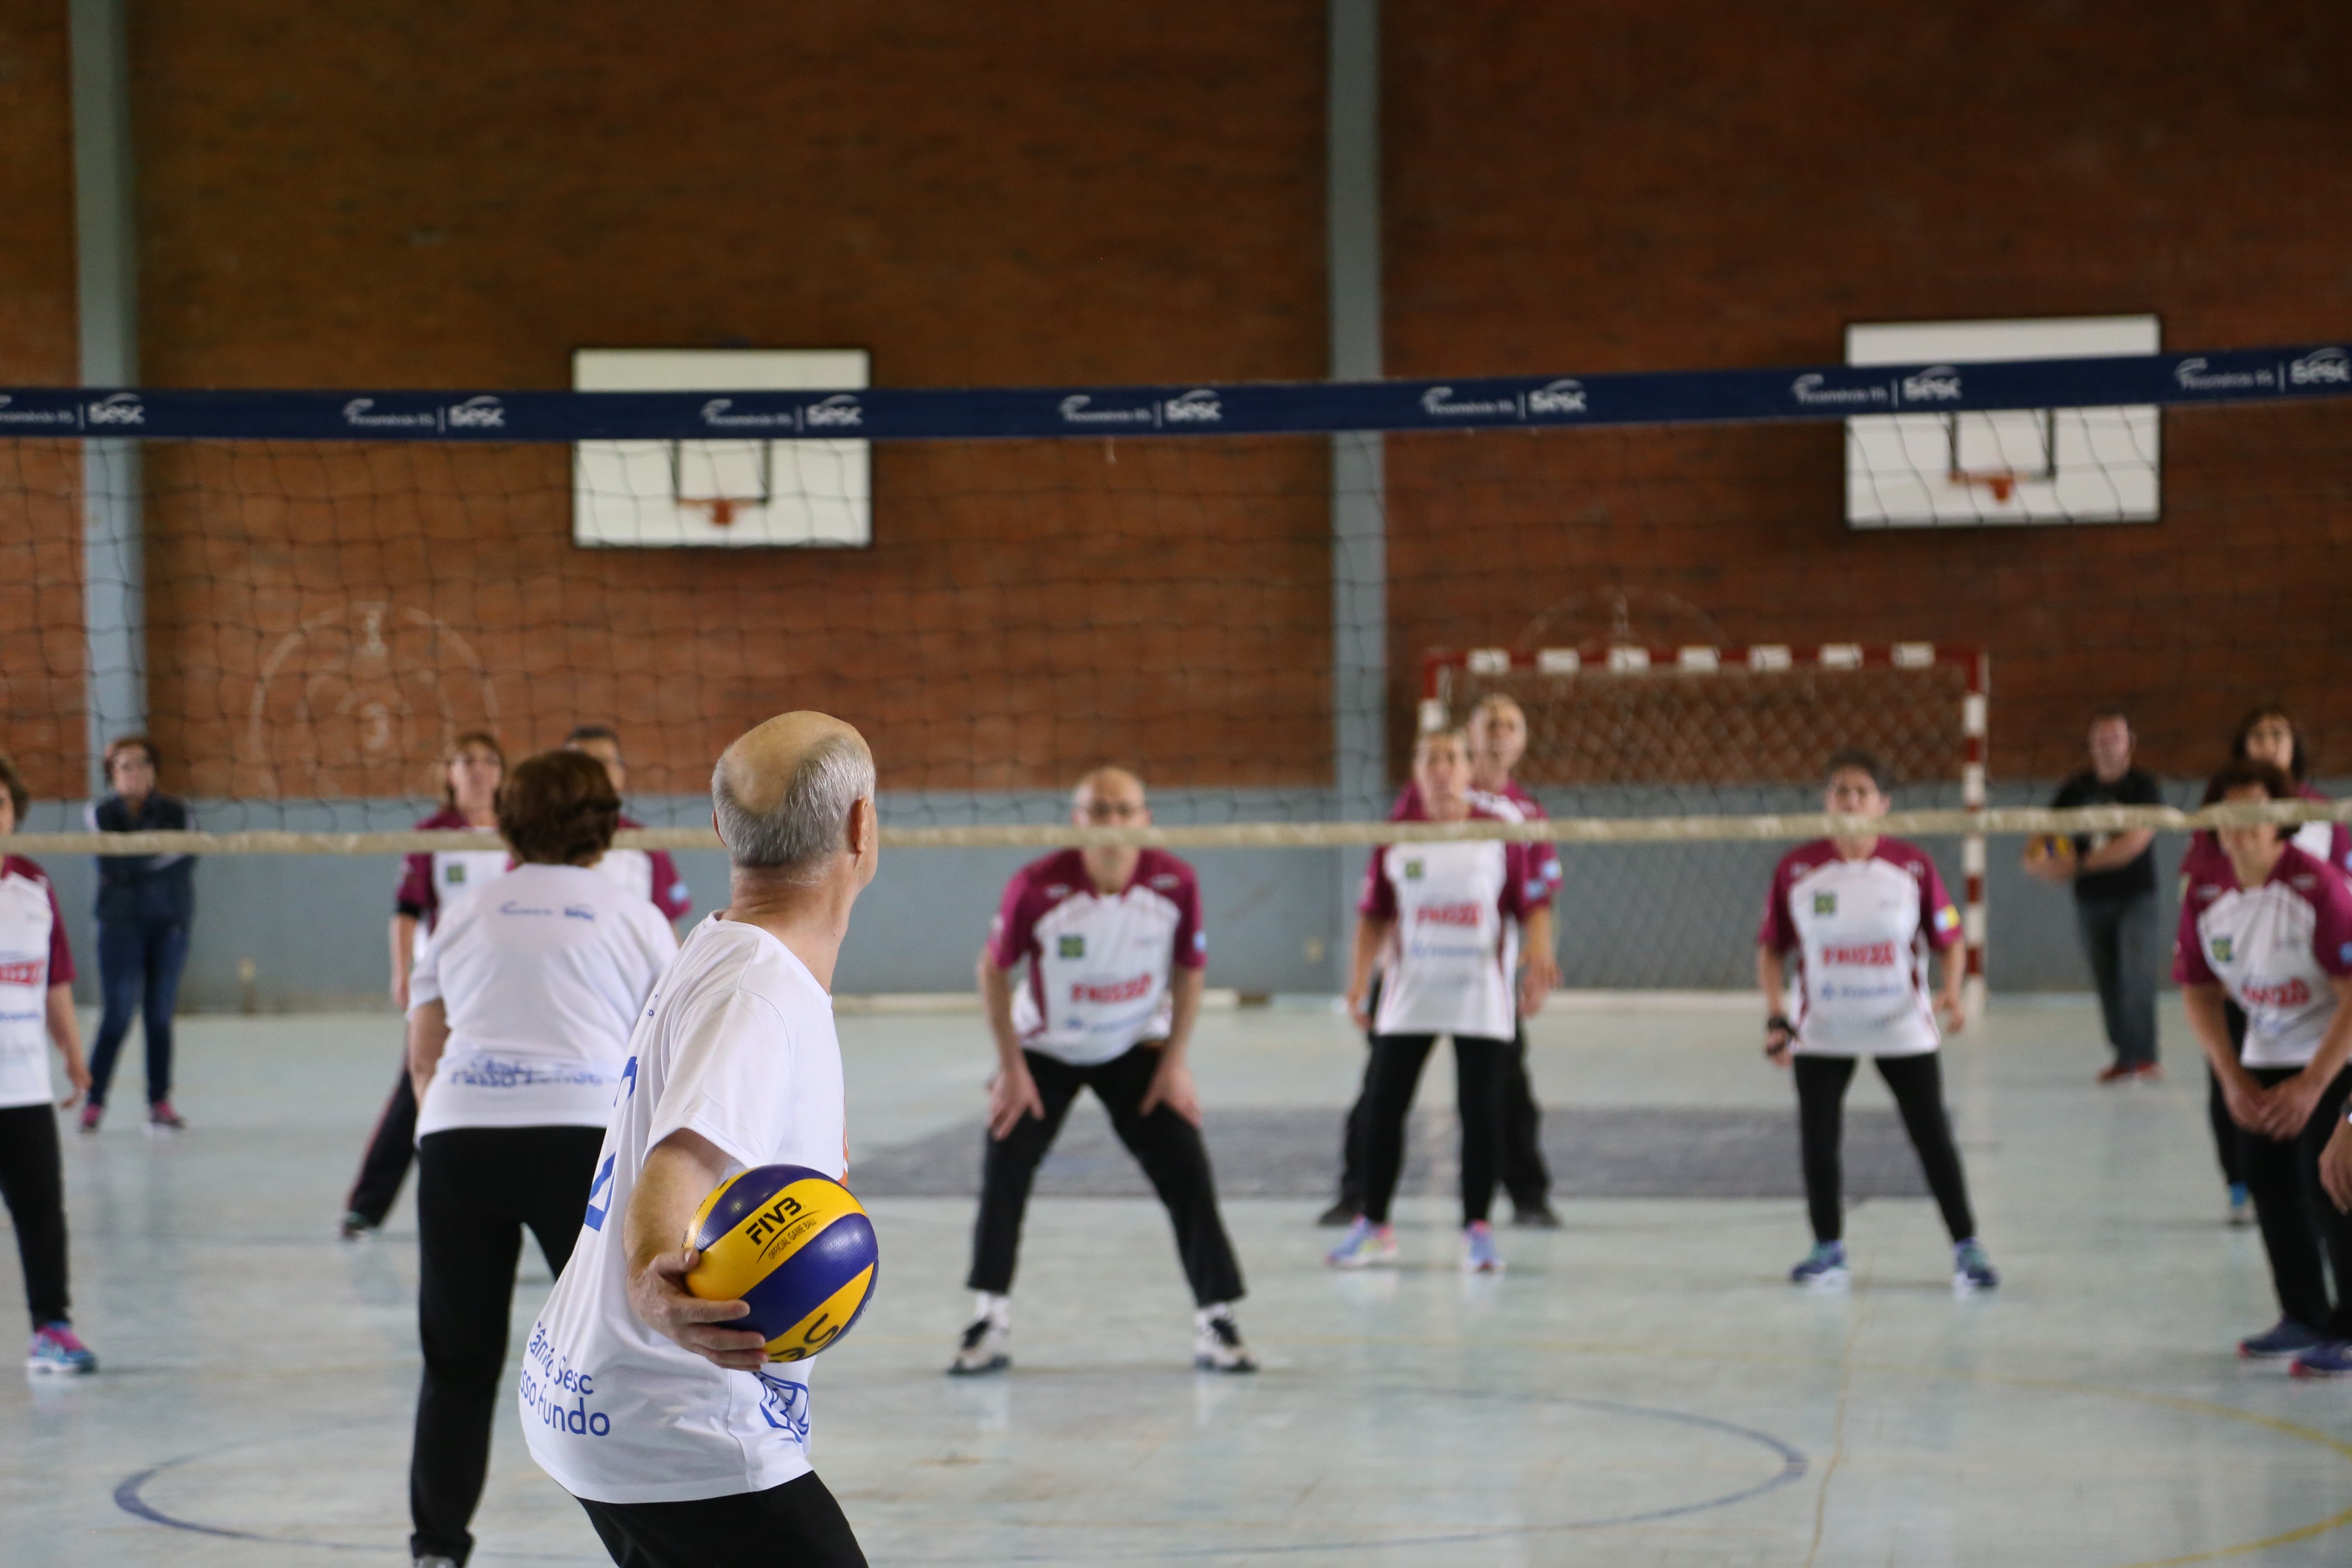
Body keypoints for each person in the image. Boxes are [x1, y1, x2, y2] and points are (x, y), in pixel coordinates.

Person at [522, 712, 877, 1568]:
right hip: (677, 1427)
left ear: (721, 828)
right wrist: (657, 1283)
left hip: (598, 1397)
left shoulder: (718, 944)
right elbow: (675, 1167)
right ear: (861, 826)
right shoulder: (758, 993)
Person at [402, 750, 677, 1568]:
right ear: (606, 820)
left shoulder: (464, 910)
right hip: (579, 1139)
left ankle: (436, 1549)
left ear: (508, 820)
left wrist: (451, 1141)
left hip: (459, 1135)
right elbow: (666, 1061)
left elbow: (424, 1055)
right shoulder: (634, 915)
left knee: (457, 1359)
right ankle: (648, 1545)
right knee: (617, 1356)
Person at [949, 767, 1255, 1377]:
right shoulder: (1035, 887)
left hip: (1134, 1045)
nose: (1113, 823)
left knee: (1186, 1164)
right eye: (1099, 811)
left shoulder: (1175, 882)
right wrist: (1010, 1067)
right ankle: (989, 1317)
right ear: (1077, 821)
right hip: (1046, 1051)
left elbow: (1190, 970)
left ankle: (1215, 1318)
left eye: (1125, 811)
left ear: (1145, 820)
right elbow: (992, 970)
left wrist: (1174, 1063)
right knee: (1004, 1159)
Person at [1322, 695, 1564, 1229]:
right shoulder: (1419, 805)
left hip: (1483, 981)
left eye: (1510, 725)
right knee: (1380, 1091)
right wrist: (1368, 976)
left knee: (1503, 1092)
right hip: (1412, 976)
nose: (1500, 734)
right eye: (1489, 725)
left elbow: (1537, 900)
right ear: (1470, 742)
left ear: (1521, 739)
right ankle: (1357, 1195)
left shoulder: (1521, 817)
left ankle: (1524, 1196)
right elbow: (1383, 901)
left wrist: (1538, 957)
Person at [1759, 748, 1996, 1294]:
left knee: (1932, 1137)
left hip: (1900, 1025)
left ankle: (1967, 1248)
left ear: (1882, 804)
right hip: (1822, 1029)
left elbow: (1949, 938)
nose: (1849, 799)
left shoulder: (1911, 866)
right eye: (1840, 790)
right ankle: (1828, 1248)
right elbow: (1771, 948)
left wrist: (1953, 992)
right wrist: (1777, 1016)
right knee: (1817, 1141)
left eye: (1861, 791)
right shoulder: (1797, 869)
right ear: (1826, 801)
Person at [2175, 757, 2352, 1377]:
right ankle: (2302, 1315)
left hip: (2335, 1051)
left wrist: (2312, 1085)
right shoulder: (2204, 891)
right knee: (2267, 1180)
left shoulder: (2317, 887)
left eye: (2255, 811)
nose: (2241, 825)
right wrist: (2230, 1075)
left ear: (2282, 821)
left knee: (2332, 1182)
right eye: (2230, 812)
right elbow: (2197, 990)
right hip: (2264, 1050)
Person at [341, 732, 510, 1239]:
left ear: (501, 772)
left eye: (487, 760)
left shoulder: (521, 831)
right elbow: (406, 913)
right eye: (466, 761)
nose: (478, 770)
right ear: (450, 773)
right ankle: (367, 1206)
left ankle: (506, 1205)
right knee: (415, 1087)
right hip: (451, 987)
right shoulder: (433, 834)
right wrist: (404, 975)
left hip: (512, 981)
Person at [2201, 707, 2351, 1225]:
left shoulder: (2325, 824)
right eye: (2257, 734)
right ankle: (2239, 1183)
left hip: (2319, 981)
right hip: (2253, 986)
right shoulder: (2216, 828)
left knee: (2326, 1166)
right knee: (2237, 1092)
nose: (2267, 743)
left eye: (2278, 733)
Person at [0, 754, 99, 1372]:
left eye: (0, 804)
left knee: (41, 1210)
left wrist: (73, 1054)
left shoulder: (34, 886)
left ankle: (52, 1329)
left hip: (22, 1084)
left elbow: (54, 979)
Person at [2026, 710, 2163, 1083]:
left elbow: (2136, 841)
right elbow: (2046, 837)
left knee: (2136, 975)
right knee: (2107, 981)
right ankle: (2124, 1056)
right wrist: (2040, 862)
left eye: (2115, 738)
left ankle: (2145, 1056)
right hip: (2090, 902)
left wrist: (2080, 864)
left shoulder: (2143, 786)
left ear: (2129, 743)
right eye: (2101, 738)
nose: (2108, 745)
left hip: (2137, 897)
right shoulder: (2076, 790)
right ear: (2091, 745)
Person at [81, 734, 195, 1133]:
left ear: (154, 769)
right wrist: (146, 860)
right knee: (116, 1015)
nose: (135, 771)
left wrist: (133, 863)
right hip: (119, 926)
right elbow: (110, 863)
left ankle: (159, 1102)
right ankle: (93, 1102)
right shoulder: (100, 813)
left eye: (142, 762)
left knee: (160, 1016)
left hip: (170, 924)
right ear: (111, 773)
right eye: (125, 765)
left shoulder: (177, 811)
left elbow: (183, 860)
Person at [564, 725, 694, 929]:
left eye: (602, 762)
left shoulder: (646, 844)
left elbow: (668, 928)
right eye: (579, 764)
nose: (591, 772)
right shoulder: (536, 842)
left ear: (621, 772)